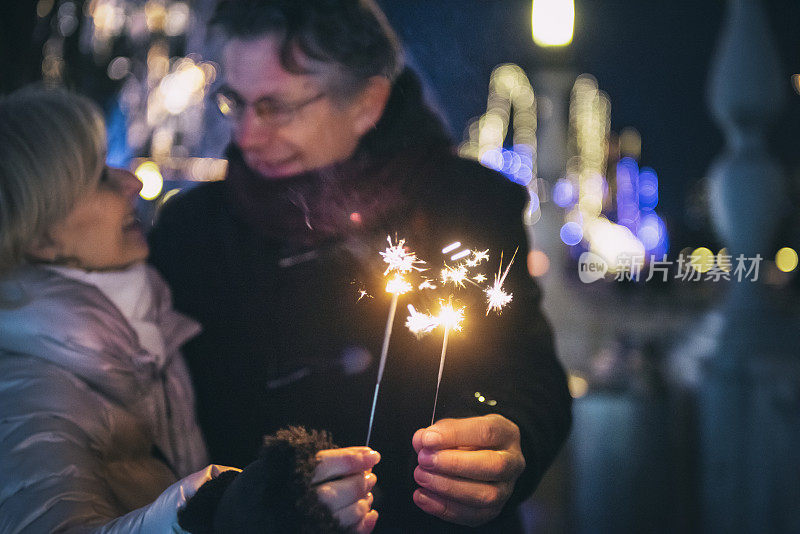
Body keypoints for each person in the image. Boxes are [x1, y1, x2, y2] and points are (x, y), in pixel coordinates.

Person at [148, 0, 573, 531]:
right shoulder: (193, 232)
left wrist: (514, 444)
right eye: (237, 102)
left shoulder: (469, 207)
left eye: (278, 107)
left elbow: (528, 374)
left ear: (368, 102)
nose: (248, 135)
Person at [0, 87, 379, 533]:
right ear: (41, 237)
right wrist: (211, 513)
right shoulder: (28, 391)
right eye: (99, 177)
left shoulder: (141, 325)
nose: (133, 182)